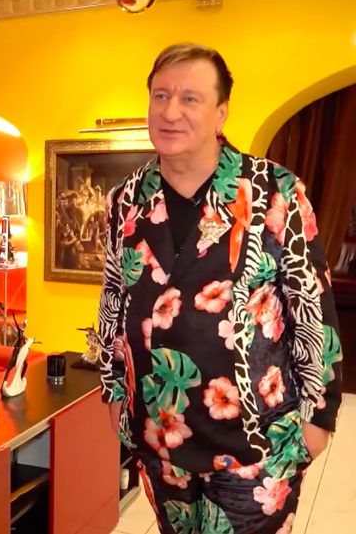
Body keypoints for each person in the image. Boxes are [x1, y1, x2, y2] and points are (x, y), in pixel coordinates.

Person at [96, 43, 342, 534]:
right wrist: (113, 391)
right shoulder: (126, 199)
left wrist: (318, 420)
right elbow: (112, 299)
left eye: (190, 98)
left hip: (256, 448)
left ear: (221, 113)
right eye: (161, 95)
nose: (170, 111)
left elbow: (313, 308)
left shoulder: (275, 192)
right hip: (159, 440)